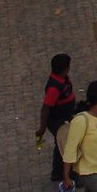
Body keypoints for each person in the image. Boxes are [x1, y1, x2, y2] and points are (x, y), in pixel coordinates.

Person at [35, 54, 75, 182]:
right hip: (57, 121)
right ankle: (66, 173)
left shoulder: (62, 79)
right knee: (65, 146)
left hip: (65, 117)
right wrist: (42, 128)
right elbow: (46, 108)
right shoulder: (54, 87)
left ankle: (58, 172)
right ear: (66, 68)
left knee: (61, 145)